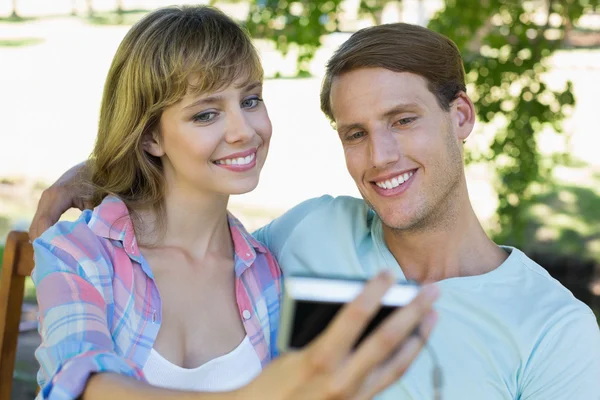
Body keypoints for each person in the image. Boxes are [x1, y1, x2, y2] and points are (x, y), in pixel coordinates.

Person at [31, 18, 600, 400]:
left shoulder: (556, 329)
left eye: (403, 120)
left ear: (461, 117)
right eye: (355, 133)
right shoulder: (309, 234)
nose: (381, 156)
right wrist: (99, 173)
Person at [28, 7, 439, 400]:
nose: (245, 131)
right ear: (151, 137)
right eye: (206, 114)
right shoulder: (77, 253)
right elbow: (80, 384)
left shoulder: (269, 270)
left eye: (250, 100)